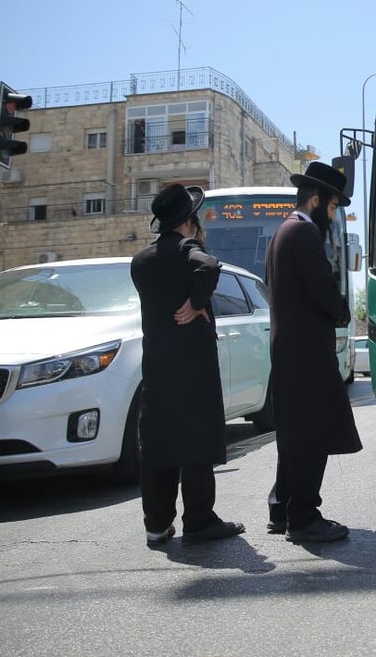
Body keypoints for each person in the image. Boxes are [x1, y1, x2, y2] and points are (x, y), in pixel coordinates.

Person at [130, 184, 245, 547]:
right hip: (193, 365)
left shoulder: (141, 260)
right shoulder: (187, 248)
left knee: (160, 442)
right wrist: (196, 303)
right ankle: (199, 520)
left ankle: (157, 524)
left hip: (158, 366)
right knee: (196, 440)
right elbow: (209, 266)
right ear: (189, 221)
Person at [266, 162, 362, 543]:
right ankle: (304, 516)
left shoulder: (282, 233)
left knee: (294, 433)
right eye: (334, 206)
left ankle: (282, 506)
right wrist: (342, 311)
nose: (334, 214)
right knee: (311, 433)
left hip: (290, 350)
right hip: (307, 352)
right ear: (318, 200)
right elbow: (322, 288)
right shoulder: (303, 234)